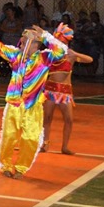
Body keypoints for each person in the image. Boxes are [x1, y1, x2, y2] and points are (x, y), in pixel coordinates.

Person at [0, 19, 67, 178]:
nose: (21, 42)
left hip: (33, 106)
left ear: (35, 45)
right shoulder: (15, 55)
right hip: (14, 104)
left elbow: (62, 51)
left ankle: (21, 168)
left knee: (31, 138)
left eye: (26, 40)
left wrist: (46, 36)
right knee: (9, 136)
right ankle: (5, 164)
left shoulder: (45, 58)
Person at [42, 23, 93, 155]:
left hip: (65, 92)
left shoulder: (70, 56)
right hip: (51, 89)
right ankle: (44, 143)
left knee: (69, 119)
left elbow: (90, 60)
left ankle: (65, 146)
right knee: (47, 118)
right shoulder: (51, 55)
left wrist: (75, 53)